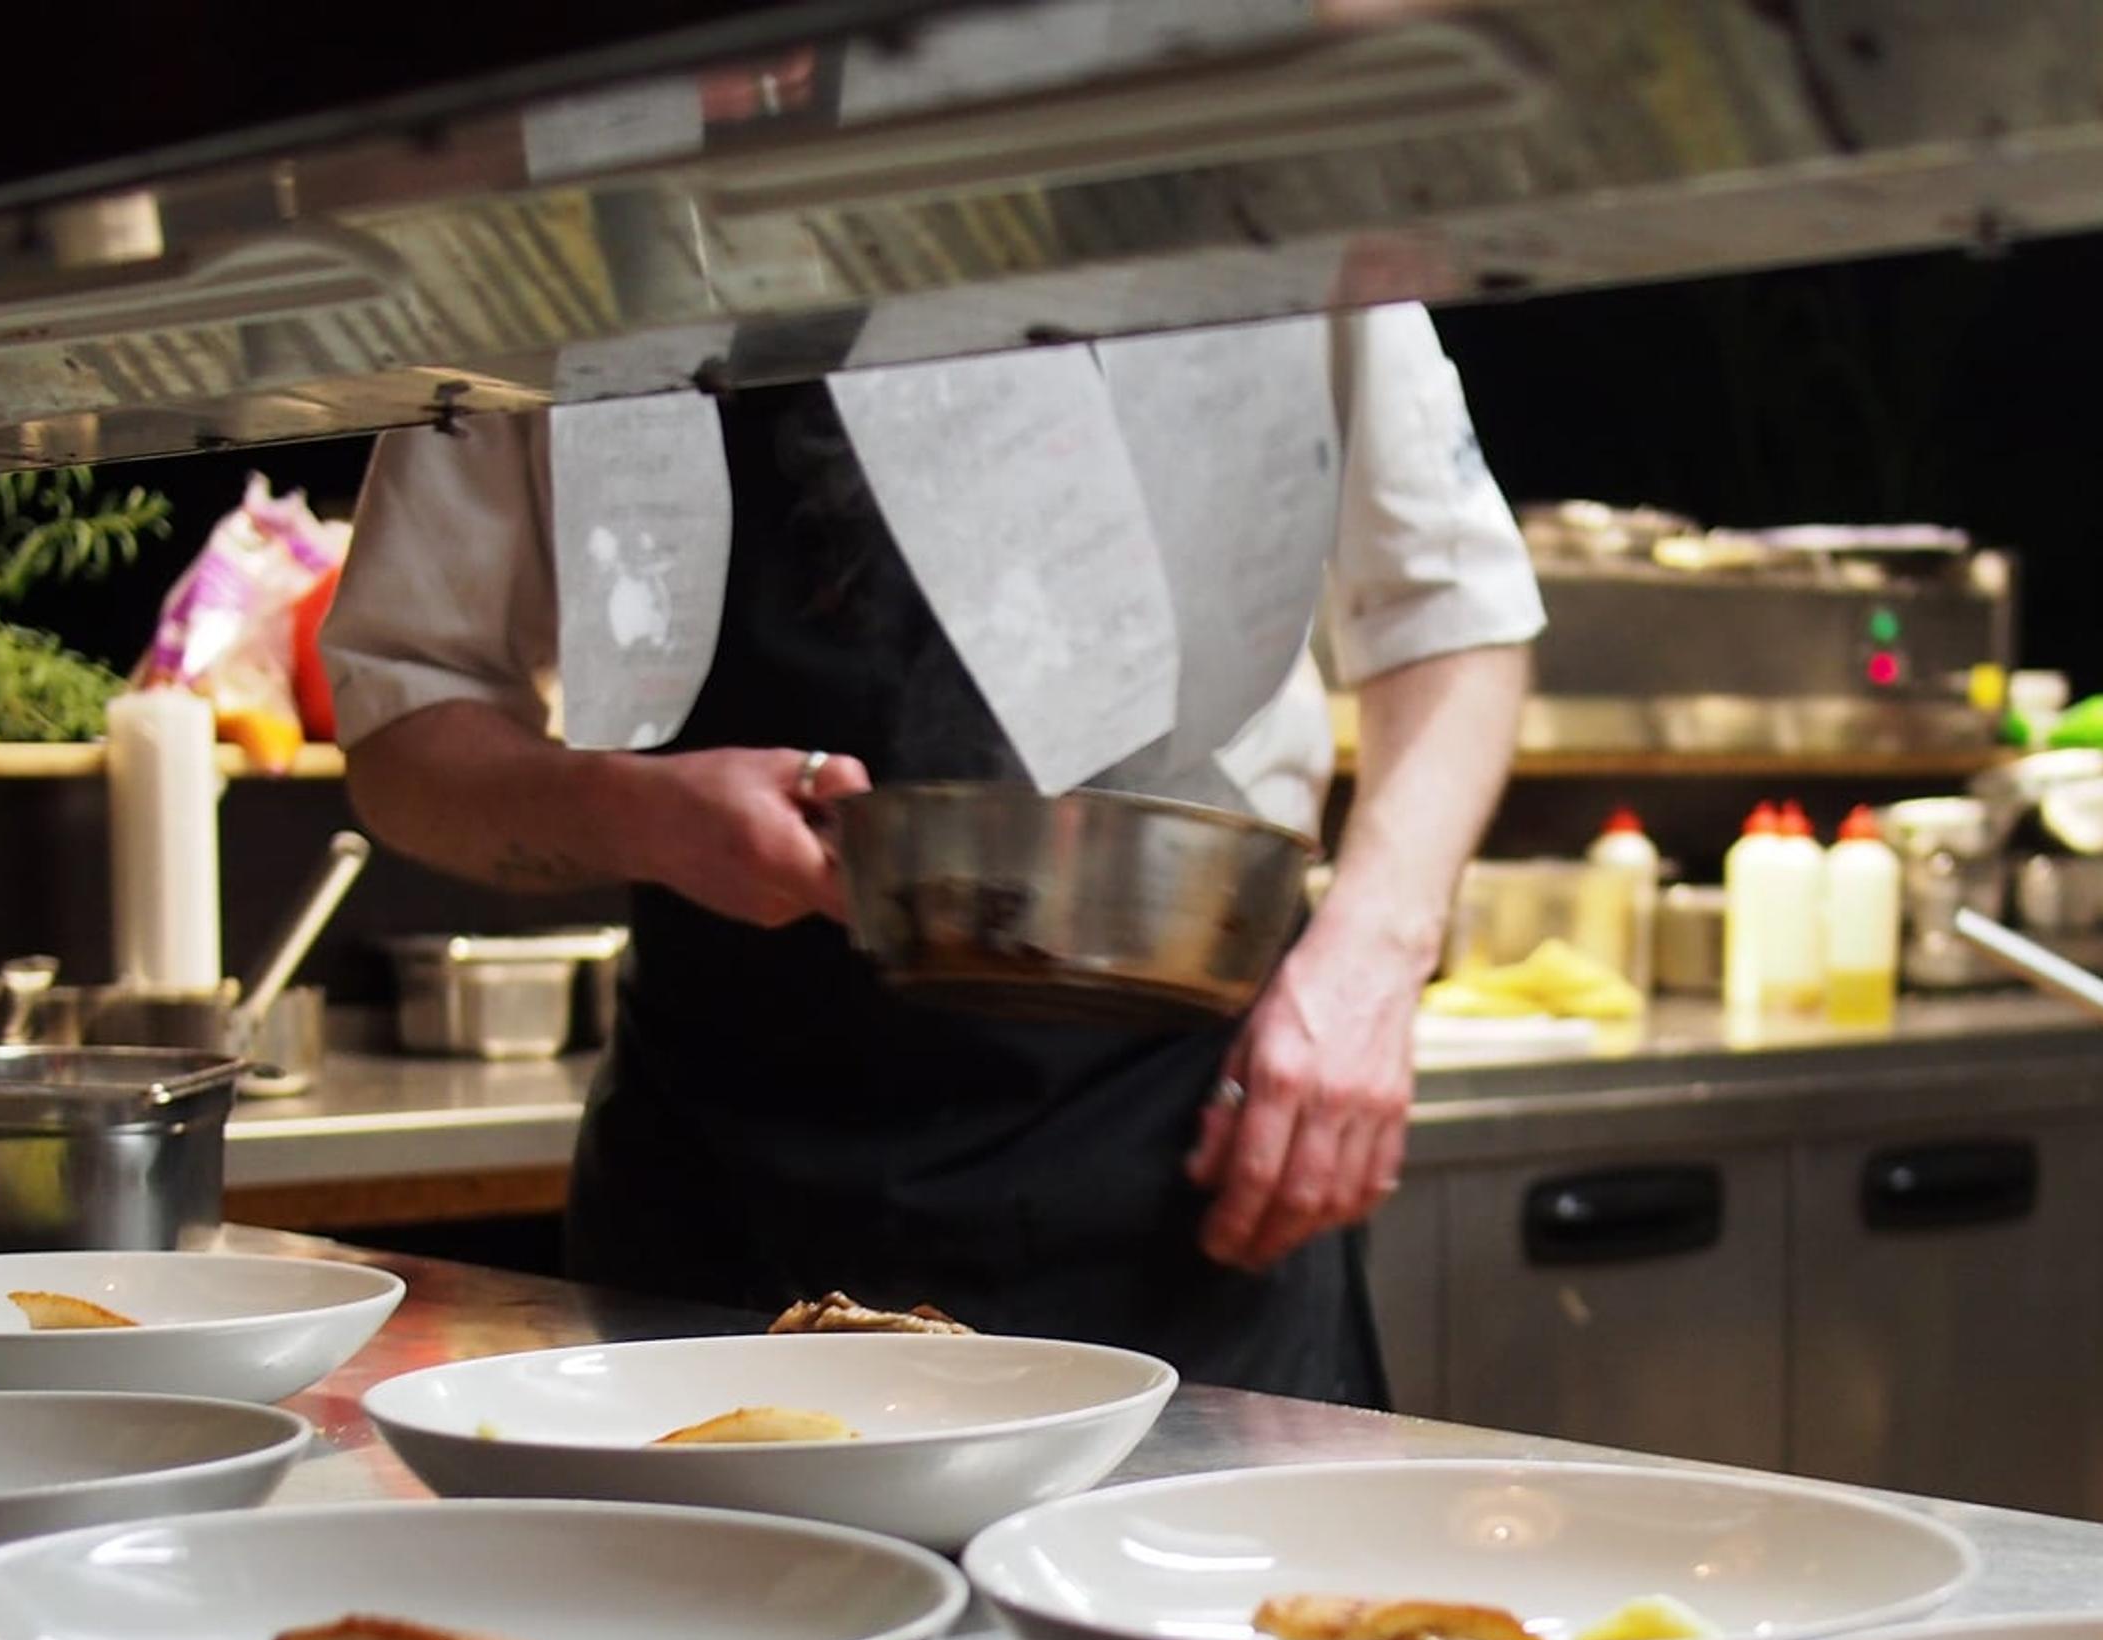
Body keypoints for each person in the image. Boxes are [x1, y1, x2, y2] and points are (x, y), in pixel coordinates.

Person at [319, 306, 1539, 1401]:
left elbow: (1453, 612)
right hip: (731, 1176)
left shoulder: (1230, 160)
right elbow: (403, 718)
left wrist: (1371, 963)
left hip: (1189, 1167)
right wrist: (638, 814)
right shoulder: (578, 225)